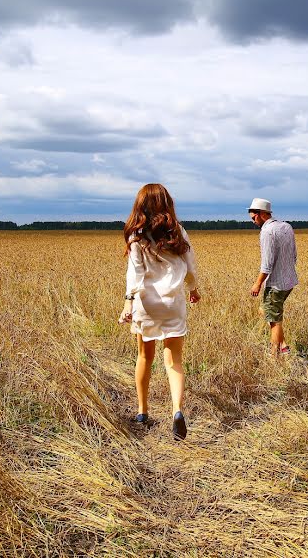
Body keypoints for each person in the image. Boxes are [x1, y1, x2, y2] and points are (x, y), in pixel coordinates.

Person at [118, 183, 201, 440]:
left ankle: (142, 411)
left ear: (140, 205)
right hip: (173, 303)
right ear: (167, 203)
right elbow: (190, 266)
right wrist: (194, 289)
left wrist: (128, 303)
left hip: (146, 304)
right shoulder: (178, 232)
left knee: (145, 357)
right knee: (174, 360)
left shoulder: (136, 236)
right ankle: (177, 410)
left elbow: (136, 273)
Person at [248, 198, 298, 359]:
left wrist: (257, 284)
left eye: (254, 218)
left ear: (262, 214)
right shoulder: (287, 227)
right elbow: (294, 255)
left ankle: (274, 356)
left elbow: (267, 263)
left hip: (276, 283)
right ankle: (284, 347)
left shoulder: (267, 232)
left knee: (274, 321)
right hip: (289, 281)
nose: (253, 222)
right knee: (266, 311)